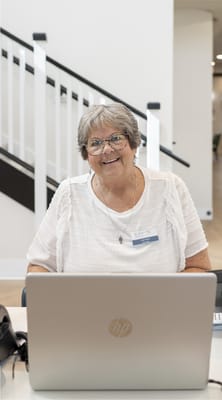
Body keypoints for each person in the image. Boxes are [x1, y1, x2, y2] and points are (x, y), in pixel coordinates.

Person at [27, 103, 211, 273]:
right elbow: (38, 267)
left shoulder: (170, 188)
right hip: (84, 308)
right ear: (86, 154)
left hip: (158, 308)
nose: (106, 149)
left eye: (115, 139)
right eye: (96, 143)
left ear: (133, 144)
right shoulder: (69, 193)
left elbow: (199, 267)